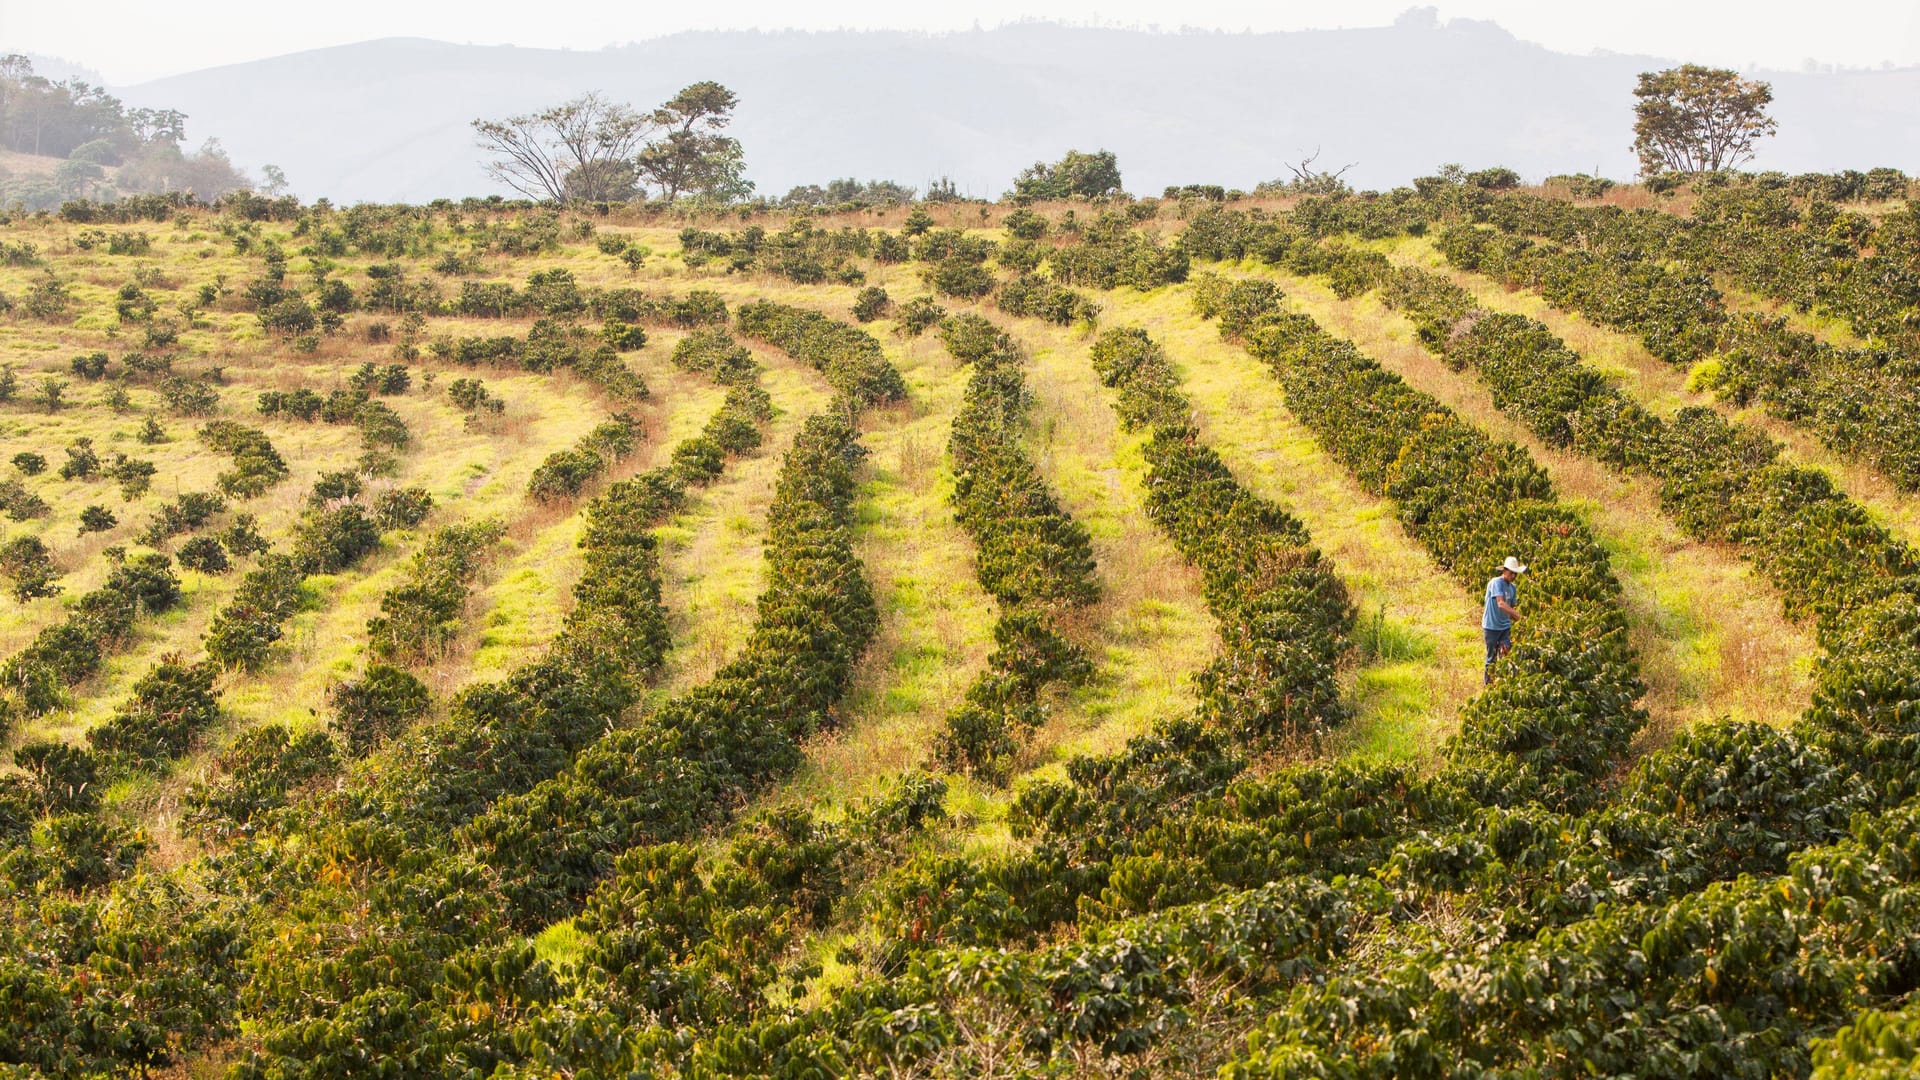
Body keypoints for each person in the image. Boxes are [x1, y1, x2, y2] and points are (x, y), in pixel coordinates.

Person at [1483, 556, 1525, 685]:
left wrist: (1522, 622)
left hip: (1505, 627)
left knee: (1506, 652)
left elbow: (1512, 607)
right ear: (1504, 570)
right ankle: (1488, 684)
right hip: (1491, 626)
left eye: (1515, 573)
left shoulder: (1513, 588)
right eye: (1511, 572)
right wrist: (1517, 615)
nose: (1513, 576)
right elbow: (1500, 603)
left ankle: (1503, 682)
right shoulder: (1496, 583)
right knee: (1492, 657)